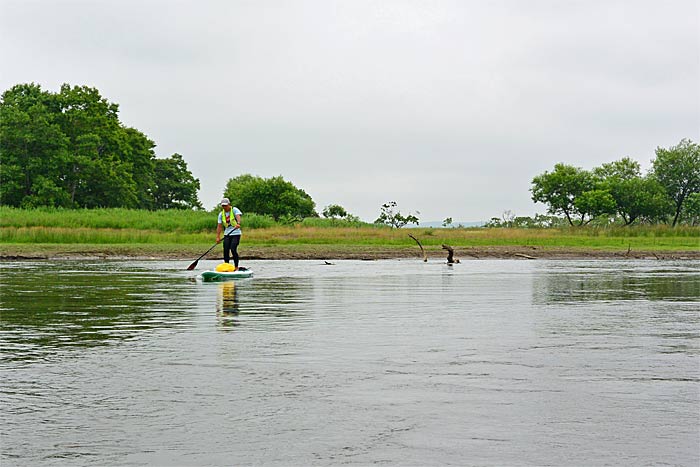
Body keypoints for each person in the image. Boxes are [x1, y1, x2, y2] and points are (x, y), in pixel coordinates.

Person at [216, 198, 243, 270]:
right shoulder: (221, 214)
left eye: (225, 205)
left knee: (233, 249)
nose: (224, 207)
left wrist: (238, 223)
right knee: (226, 250)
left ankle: (236, 266)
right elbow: (219, 226)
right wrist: (218, 237)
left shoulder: (234, 210)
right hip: (227, 234)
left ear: (229, 204)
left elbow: (238, 217)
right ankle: (226, 266)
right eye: (223, 206)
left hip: (236, 233)